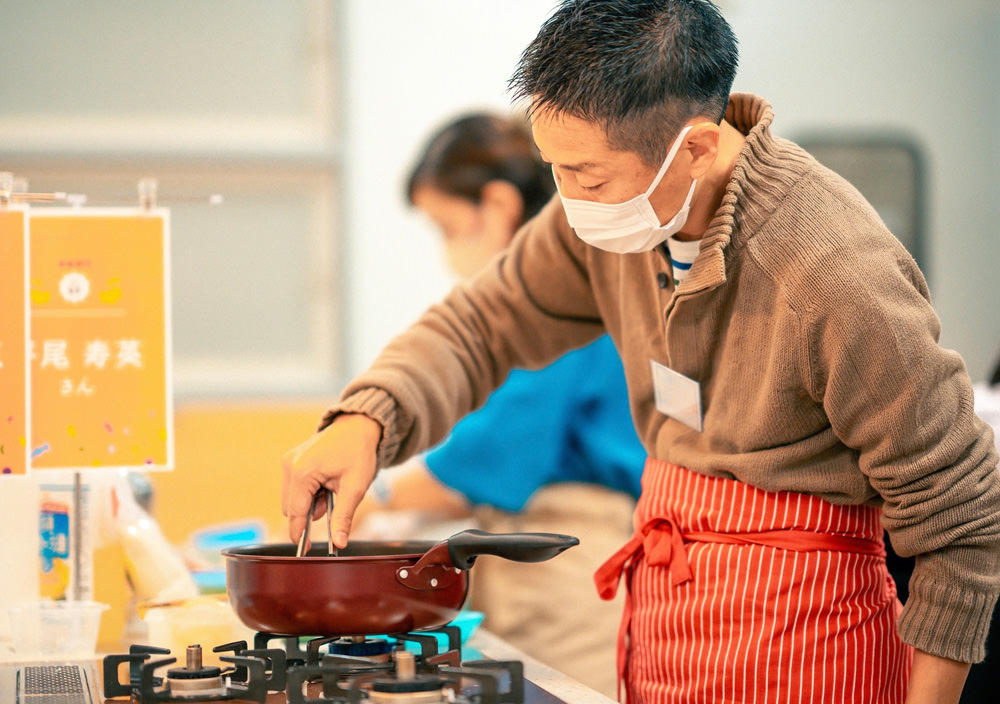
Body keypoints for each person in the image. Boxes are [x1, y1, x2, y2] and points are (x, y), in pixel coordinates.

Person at [281, 2, 1000, 703]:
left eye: (588, 177)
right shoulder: (607, 221)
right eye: (556, 169)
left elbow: (962, 522)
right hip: (664, 624)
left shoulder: (834, 274)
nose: (567, 200)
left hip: (806, 645)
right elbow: (481, 322)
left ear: (696, 149)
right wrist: (369, 418)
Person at [350, 112, 645, 697]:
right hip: (545, 553)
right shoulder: (542, 296)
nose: (446, 251)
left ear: (499, 205)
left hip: (576, 563)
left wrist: (376, 497)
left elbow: (484, 455)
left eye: (447, 227)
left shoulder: (558, 297)